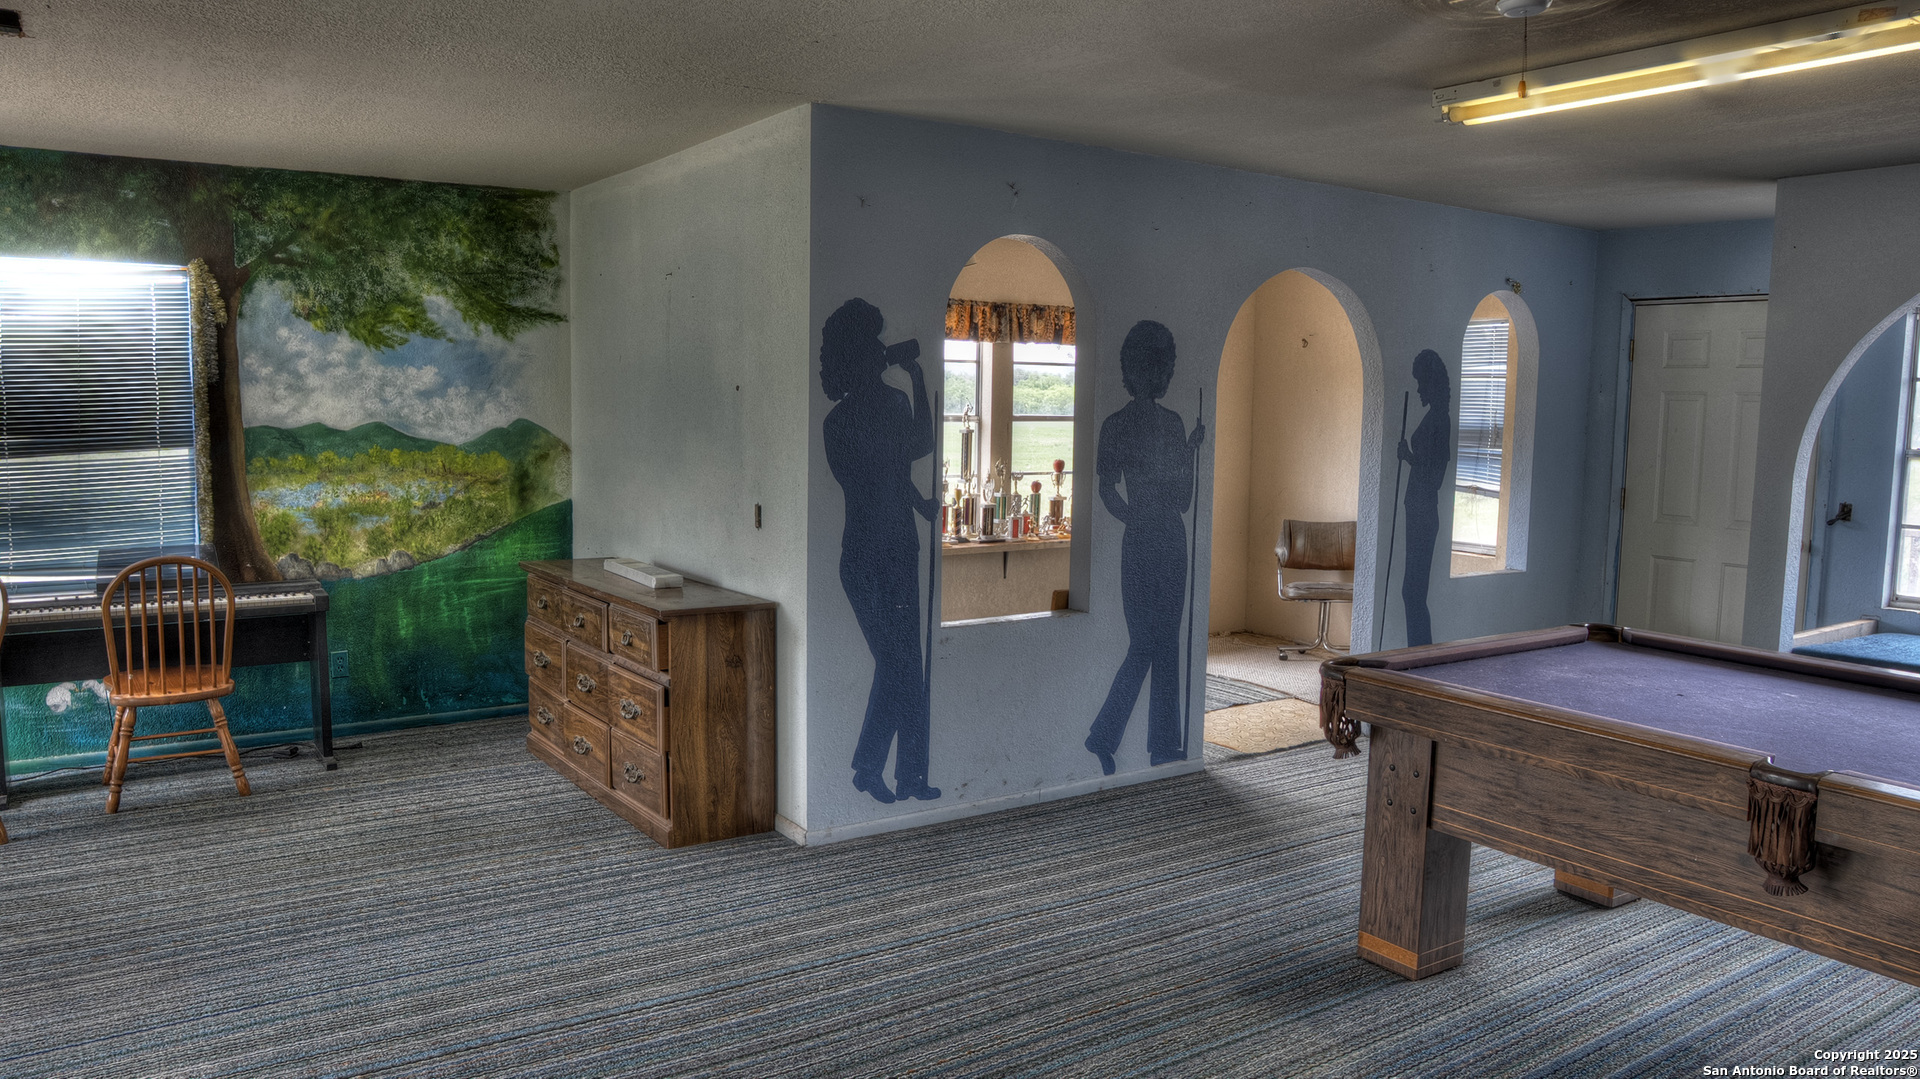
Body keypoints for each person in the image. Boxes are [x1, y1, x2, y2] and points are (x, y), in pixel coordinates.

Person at [819, 298, 942, 803]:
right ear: (855, 358)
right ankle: (869, 767)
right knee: (897, 664)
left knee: (908, 663)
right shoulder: (839, 422)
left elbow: (907, 458)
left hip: (898, 545)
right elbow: (875, 476)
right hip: (866, 554)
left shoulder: (893, 402)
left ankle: (909, 775)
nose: (878, 352)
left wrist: (916, 381)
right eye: (869, 347)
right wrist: (910, 500)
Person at [1085, 320, 1204, 775]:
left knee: (1163, 644)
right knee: (1147, 644)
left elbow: (1182, 500)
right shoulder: (1121, 426)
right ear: (1144, 368)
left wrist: (1188, 456)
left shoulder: (1170, 425)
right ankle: (1112, 735)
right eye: (1163, 365)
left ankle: (1159, 745)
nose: (1167, 374)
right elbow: (1108, 488)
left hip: (1166, 540)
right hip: (1147, 540)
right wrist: (1134, 517)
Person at [1398, 349, 1451, 647]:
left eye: (1421, 382)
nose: (1418, 388)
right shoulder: (1433, 417)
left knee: (1413, 593)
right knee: (1412, 592)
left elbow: (1435, 477)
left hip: (1423, 514)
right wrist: (1410, 458)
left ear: (1431, 383)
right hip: (1417, 511)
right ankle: (1417, 654)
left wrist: (1409, 457)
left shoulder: (1440, 420)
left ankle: (1419, 655)